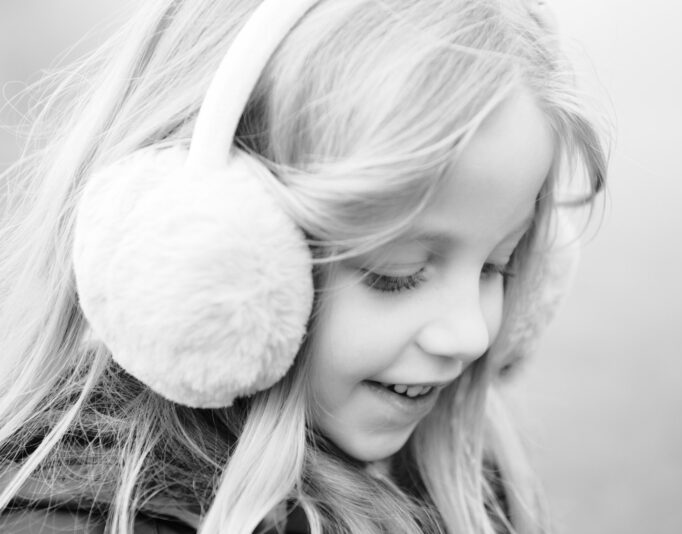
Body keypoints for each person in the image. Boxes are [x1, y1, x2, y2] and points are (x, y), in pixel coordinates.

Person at [0, 0, 607, 532]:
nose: (471, 335)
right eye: (396, 273)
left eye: (497, 266)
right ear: (208, 260)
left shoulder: (458, 471)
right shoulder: (73, 520)